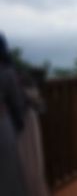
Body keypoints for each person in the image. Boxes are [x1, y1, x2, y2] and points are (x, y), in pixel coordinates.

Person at [0, 33, 26, 196]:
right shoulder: (6, 71)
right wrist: (19, 124)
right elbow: (17, 102)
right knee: (8, 176)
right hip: (2, 126)